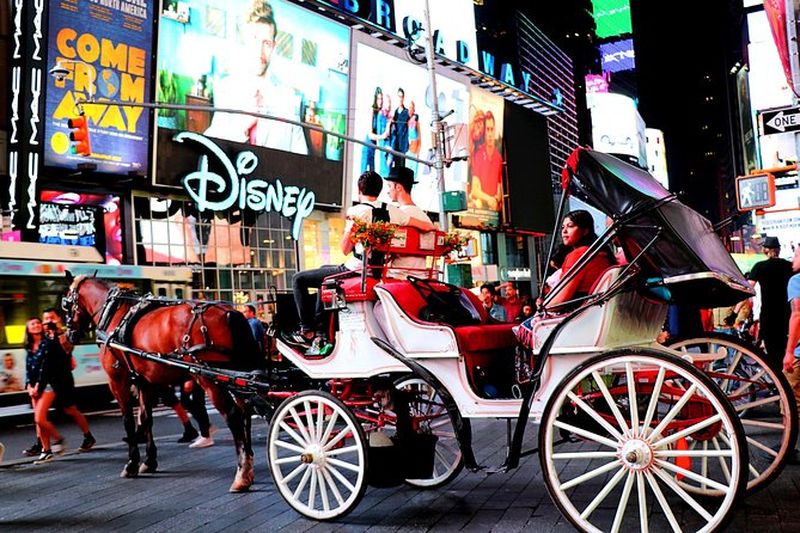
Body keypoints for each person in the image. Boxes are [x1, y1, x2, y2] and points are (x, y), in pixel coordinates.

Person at [287, 170, 433, 351]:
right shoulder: (393, 211)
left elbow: (345, 249)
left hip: (357, 268)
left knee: (299, 279)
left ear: (359, 190)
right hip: (376, 269)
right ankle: (320, 331)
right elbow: (427, 226)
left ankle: (307, 330)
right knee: (324, 272)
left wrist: (351, 229)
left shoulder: (357, 211)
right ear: (379, 191)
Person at [204, 0, 308, 155]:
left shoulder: (289, 98)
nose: (260, 52)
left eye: (266, 43)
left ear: (274, 46)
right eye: (254, 39)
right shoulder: (227, 89)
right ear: (245, 40)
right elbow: (209, 147)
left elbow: (302, 159)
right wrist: (242, 126)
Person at [25, 317, 95, 464]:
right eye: (33, 324)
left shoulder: (49, 343)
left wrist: (38, 385)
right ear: (28, 329)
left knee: (40, 418)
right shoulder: (29, 347)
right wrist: (29, 386)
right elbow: (28, 368)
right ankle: (46, 450)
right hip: (34, 386)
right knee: (39, 421)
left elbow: (46, 367)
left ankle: (59, 440)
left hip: (47, 384)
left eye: (38, 323)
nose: (37, 325)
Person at [546, 210, 615, 309]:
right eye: (563, 227)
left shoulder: (579, 255)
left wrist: (543, 306)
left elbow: (560, 302)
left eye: (570, 226)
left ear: (585, 231)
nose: (564, 231)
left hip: (579, 313)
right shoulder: (602, 254)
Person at [382, 165, 434, 279]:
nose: (388, 191)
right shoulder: (424, 217)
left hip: (398, 276)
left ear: (399, 187)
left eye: (390, 186)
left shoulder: (397, 215)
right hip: (420, 277)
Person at [750, 236, 793, 372]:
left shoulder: (759, 267)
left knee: (773, 352)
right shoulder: (789, 266)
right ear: (778, 250)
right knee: (787, 349)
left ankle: (779, 382)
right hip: (787, 314)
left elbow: (749, 289)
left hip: (768, 315)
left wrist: (735, 311)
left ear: (765, 250)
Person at [783, 244, 800, 463]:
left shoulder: (796, 281)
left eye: (796, 254)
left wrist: (789, 352)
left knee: (790, 400)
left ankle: (790, 447)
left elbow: (797, 316)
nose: (792, 260)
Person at [469, 110, 503, 211]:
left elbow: (499, 190)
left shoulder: (499, 158)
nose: (489, 134)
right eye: (487, 130)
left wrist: (496, 200)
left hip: (494, 212)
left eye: (491, 129)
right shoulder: (479, 154)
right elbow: (475, 190)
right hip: (480, 210)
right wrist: (488, 199)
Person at [361, 87, 383, 172]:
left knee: (372, 172)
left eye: (381, 99)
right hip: (367, 145)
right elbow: (370, 134)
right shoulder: (372, 111)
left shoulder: (380, 113)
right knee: (364, 172)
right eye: (378, 99)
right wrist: (382, 136)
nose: (380, 101)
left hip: (373, 147)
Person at [391, 88, 410, 168]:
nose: (400, 99)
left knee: (402, 166)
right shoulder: (395, 112)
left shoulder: (406, 112)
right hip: (396, 144)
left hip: (403, 144)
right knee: (396, 165)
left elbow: (414, 117)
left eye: (401, 96)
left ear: (404, 98)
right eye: (399, 96)